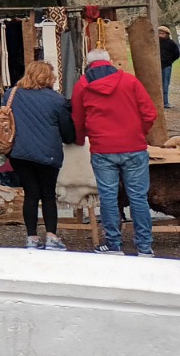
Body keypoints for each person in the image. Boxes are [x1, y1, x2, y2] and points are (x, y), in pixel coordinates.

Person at [72, 49, 158, 256]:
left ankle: (113, 245)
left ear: (88, 64)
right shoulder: (129, 81)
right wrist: (139, 132)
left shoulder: (82, 85)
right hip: (133, 146)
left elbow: (78, 118)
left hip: (103, 148)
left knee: (108, 197)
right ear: (109, 61)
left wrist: (80, 138)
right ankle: (145, 247)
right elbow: (149, 113)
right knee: (138, 198)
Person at [8, 60, 76, 251]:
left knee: (30, 193)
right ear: (49, 77)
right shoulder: (56, 100)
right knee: (47, 194)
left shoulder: (11, 94)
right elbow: (67, 132)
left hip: (20, 152)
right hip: (48, 154)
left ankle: (31, 237)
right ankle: (51, 237)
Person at [159, 26, 178, 109]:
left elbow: (176, 54)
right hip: (156, 65)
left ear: (167, 34)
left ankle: (165, 102)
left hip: (166, 66)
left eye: (162, 33)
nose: (160, 35)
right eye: (159, 33)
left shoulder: (171, 43)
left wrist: (169, 61)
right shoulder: (155, 42)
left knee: (165, 84)